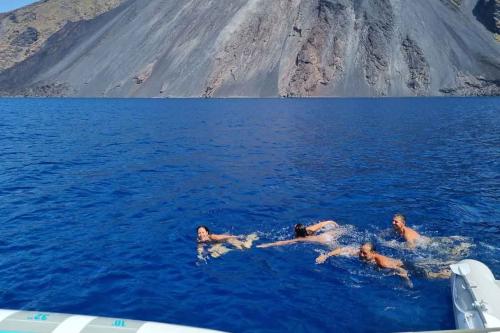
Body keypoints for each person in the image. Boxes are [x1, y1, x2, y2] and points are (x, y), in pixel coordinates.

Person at [257, 220, 343, 248]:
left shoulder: (299, 239)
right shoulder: (310, 230)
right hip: (328, 235)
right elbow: (325, 222)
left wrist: (266, 245)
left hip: (325, 241)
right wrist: (335, 224)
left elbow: (282, 242)